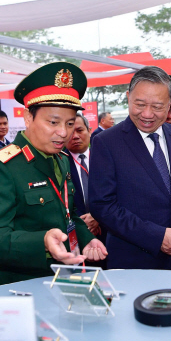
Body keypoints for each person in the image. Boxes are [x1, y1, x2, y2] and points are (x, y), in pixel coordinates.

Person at [0, 63, 106, 285]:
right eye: (53, 122)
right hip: (26, 283)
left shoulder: (61, 159)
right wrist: (42, 242)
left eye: (70, 123)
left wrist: (87, 239)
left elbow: (68, 214)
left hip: (69, 275)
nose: (63, 132)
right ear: (28, 118)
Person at [90, 66, 171, 270]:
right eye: (140, 104)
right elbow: (103, 205)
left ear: (170, 104)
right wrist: (156, 236)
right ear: (128, 97)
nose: (147, 114)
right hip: (133, 261)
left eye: (157, 106)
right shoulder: (106, 142)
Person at [67, 113, 107, 269]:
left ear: (89, 131)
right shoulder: (59, 162)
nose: (75, 136)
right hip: (74, 240)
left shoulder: (105, 157)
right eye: (71, 132)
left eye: (80, 130)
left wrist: (98, 217)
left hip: (106, 234)